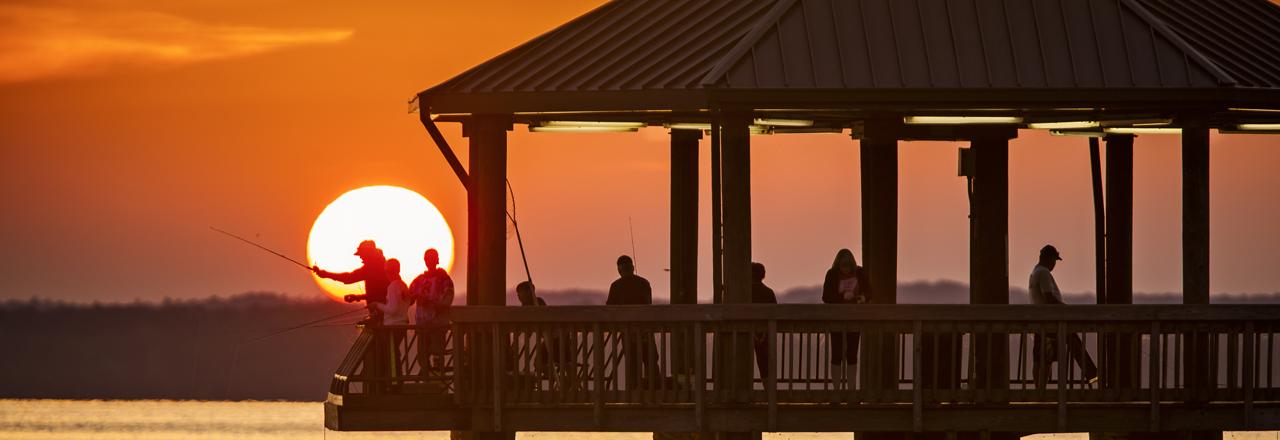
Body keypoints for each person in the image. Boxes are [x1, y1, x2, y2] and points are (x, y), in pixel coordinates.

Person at [1029, 245, 1099, 387]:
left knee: (1041, 359)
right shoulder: (1043, 273)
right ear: (1049, 259)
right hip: (1049, 323)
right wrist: (1066, 309)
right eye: (1054, 260)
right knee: (1051, 355)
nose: (1055, 264)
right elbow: (1049, 298)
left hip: (1041, 322)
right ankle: (1092, 376)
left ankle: (1039, 391)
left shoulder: (1035, 272)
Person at [606, 255, 657, 389]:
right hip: (646, 330)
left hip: (628, 331)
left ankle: (634, 390)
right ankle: (654, 388)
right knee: (651, 360)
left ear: (619, 270)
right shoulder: (644, 283)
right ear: (633, 268)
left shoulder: (616, 286)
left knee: (633, 363)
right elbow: (648, 304)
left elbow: (609, 308)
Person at [822, 249, 869, 388]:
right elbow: (826, 297)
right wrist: (842, 297)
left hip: (855, 318)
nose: (846, 268)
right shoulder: (832, 274)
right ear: (838, 264)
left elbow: (869, 290)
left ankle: (852, 389)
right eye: (843, 265)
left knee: (852, 354)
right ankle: (837, 389)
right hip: (836, 319)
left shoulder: (860, 273)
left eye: (848, 265)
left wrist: (863, 297)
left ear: (853, 264)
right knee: (836, 353)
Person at [312, 240, 389, 324]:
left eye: (362, 254)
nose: (360, 257)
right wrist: (357, 297)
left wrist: (325, 274)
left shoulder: (372, 267)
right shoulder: (381, 264)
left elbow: (348, 278)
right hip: (384, 315)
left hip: (383, 317)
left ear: (368, 254)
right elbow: (379, 292)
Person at [409, 248, 454, 373]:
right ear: (424, 260)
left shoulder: (445, 280)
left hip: (438, 325)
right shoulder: (418, 280)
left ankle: (438, 380)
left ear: (437, 260)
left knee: (437, 353)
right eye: (427, 258)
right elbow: (408, 298)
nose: (429, 261)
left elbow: (447, 301)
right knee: (422, 356)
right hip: (422, 325)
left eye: (432, 258)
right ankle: (427, 379)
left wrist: (429, 303)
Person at [380, 258, 411, 386]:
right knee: (395, 354)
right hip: (402, 325)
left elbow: (392, 309)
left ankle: (394, 384)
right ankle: (396, 382)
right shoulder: (403, 285)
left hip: (393, 327)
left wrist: (377, 305)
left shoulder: (393, 286)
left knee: (392, 356)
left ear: (389, 272)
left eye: (386, 272)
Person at [751, 262, 777, 380]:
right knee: (765, 366)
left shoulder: (745, 292)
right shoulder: (769, 292)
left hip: (748, 331)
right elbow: (774, 312)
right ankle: (769, 393)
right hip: (765, 332)